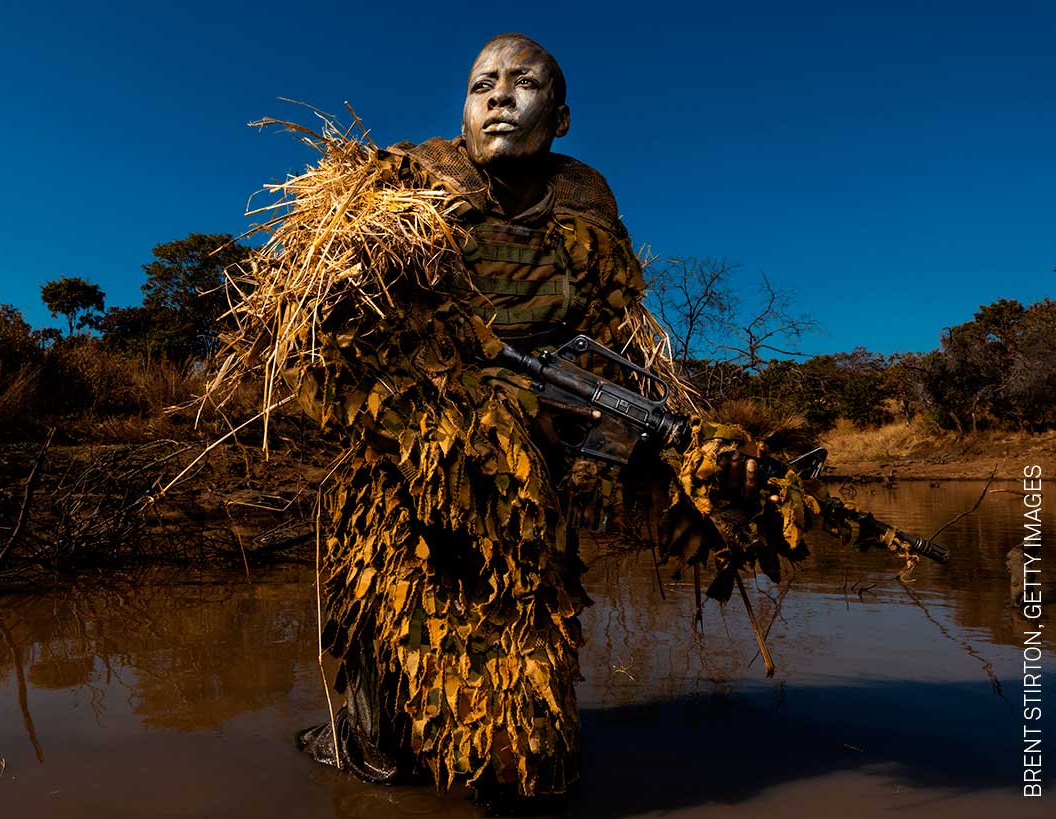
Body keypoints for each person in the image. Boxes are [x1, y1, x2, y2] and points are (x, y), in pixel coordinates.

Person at [293, 33, 776, 805]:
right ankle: (372, 745)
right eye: (482, 83)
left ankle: (519, 772)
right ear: (462, 110)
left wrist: (636, 452)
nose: (499, 96)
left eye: (523, 83)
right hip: (412, 448)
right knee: (389, 612)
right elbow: (336, 323)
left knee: (523, 621)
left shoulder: (586, 200)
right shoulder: (406, 181)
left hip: (536, 450)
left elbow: (617, 346)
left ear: (561, 116)